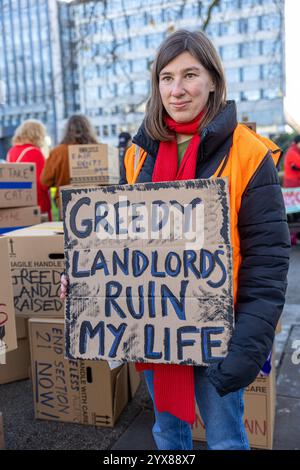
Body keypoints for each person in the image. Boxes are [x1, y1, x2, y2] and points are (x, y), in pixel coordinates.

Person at [61, 29, 290, 450]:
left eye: (190, 75)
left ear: (213, 80)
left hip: (223, 333)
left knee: (225, 440)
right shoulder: (138, 153)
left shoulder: (249, 153)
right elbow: (117, 239)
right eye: (167, 78)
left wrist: (248, 344)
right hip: (154, 327)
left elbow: (268, 258)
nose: (177, 89)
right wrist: (83, 276)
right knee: (167, 435)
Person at [41, 114, 99, 207]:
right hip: (96, 201)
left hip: (66, 203)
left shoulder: (58, 152)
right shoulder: (99, 151)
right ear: (89, 130)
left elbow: (45, 181)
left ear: (67, 131)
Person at [7, 119, 51, 220]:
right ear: (37, 134)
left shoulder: (11, 151)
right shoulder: (35, 152)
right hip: (37, 204)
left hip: (18, 203)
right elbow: (43, 182)